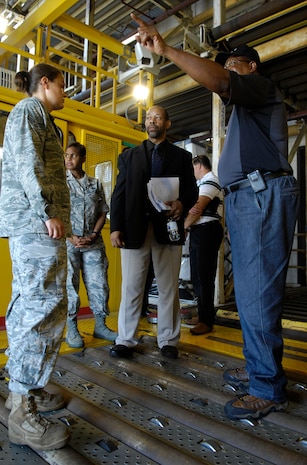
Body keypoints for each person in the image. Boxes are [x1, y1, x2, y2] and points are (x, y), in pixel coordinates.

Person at [131, 14, 300, 420]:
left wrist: (167, 50)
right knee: (249, 291)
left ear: (251, 67)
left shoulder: (259, 86)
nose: (226, 72)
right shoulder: (244, 108)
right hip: (248, 196)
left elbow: (223, 82)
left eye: (233, 65)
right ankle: (263, 368)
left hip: (261, 193)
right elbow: (224, 86)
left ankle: (266, 387)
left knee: (256, 291)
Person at [0, 64, 71, 449]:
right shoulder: (30, 111)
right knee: (44, 305)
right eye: (62, 86)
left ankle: (24, 388)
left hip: (31, 223)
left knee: (29, 303)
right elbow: (30, 165)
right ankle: (22, 412)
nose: (65, 93)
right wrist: (49, 212)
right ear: (45, 83)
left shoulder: (37, 115)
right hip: (35, 222)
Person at [110, 105, 198, 359]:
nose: (152, 121)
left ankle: (168, 340)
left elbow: (192, 190)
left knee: (168, 285)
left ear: (167, 124)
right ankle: (125, 339)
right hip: (134, 229)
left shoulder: (181, 157)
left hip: (168, 227)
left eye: (157, 117)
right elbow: (120, 194)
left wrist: (183, 204)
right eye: (148, 118)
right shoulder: (129, 156)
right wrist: (116, 227)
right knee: (131, 286)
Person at [64, 142, 117, 348]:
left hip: (93, 243)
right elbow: (56, 213)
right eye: (67, 155)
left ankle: (101, 325)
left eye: (74, 156)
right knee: (70, 284)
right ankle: (72, 328)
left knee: (99, 282)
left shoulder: (95, 184)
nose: (69, 159)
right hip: (69, 243)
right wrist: (70, 236)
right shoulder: (61, 183)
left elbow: (103, 211)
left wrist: (94, 234)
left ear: (83, 158)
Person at [184, 155, 223, 335]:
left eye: (192, 168)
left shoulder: (210, 181)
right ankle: (202, 315)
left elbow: (198, 208)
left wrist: (183, 226)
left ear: (199, 165)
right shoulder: (201, 185)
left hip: (207, 230)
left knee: (204, 277)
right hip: (199, 231)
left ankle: (207, 321)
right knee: (197, 276)